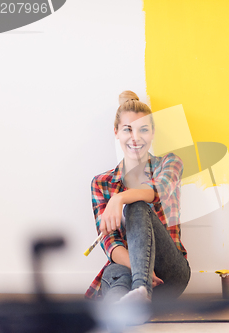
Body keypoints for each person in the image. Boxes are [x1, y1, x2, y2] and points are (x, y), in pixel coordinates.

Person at [85, 90, 190, 307]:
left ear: (152, 133)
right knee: (117, 280)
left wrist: (119, 199)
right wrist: (140, 268)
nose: (136, 138)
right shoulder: (100, 183)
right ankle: (125, 307)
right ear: (116, 132)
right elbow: (111, 244)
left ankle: (141, 288)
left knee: (137, 205)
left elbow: (156, 191)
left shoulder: (170, 163)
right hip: (127, 267)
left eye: (143, 129)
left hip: (169, 273)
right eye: (127, 130)